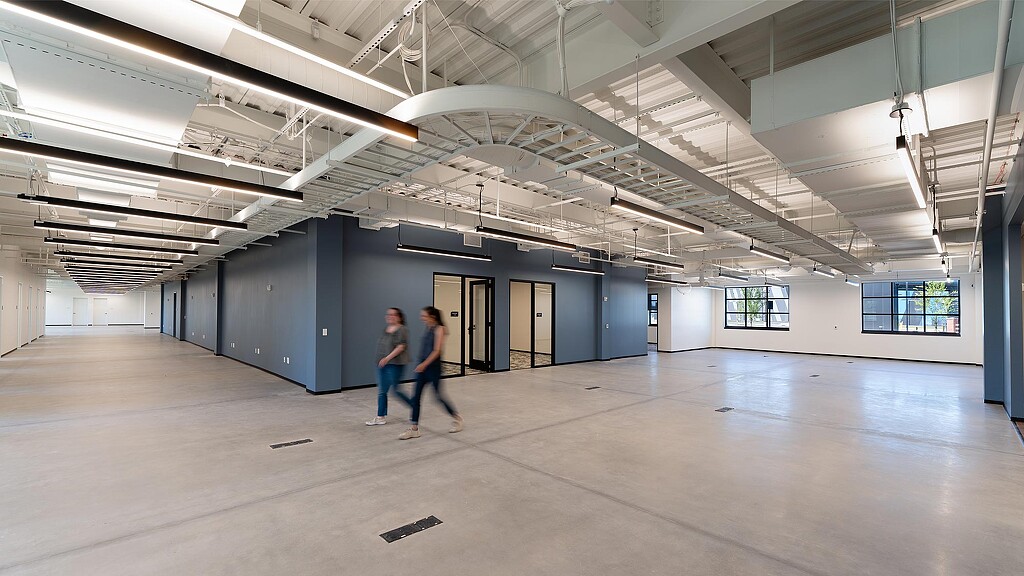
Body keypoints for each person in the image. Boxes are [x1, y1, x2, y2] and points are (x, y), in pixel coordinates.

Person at [394, 306, 463, 439]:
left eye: (424, 316)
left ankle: (458, 418)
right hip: (422, 367)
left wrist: (424, 364)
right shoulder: (428, 327)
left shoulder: (440, 329)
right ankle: (414, 428)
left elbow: (437, 351)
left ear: (432, 316)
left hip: (433, 368)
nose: (422, 318)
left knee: (438, 397)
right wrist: (421, 364)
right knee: (416, 397)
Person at [365, 308, 409, 426]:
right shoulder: (386, 329)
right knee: (382, 391)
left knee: (396, 390)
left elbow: (401, 347)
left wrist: (387, 358)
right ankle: (380, 417)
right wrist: (381, 360)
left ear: (399, 317)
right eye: (388, 314)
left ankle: (414, 406)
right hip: (381, 364)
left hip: (394, 364)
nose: (390, 316)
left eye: (393, 314)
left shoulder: (402, 329)